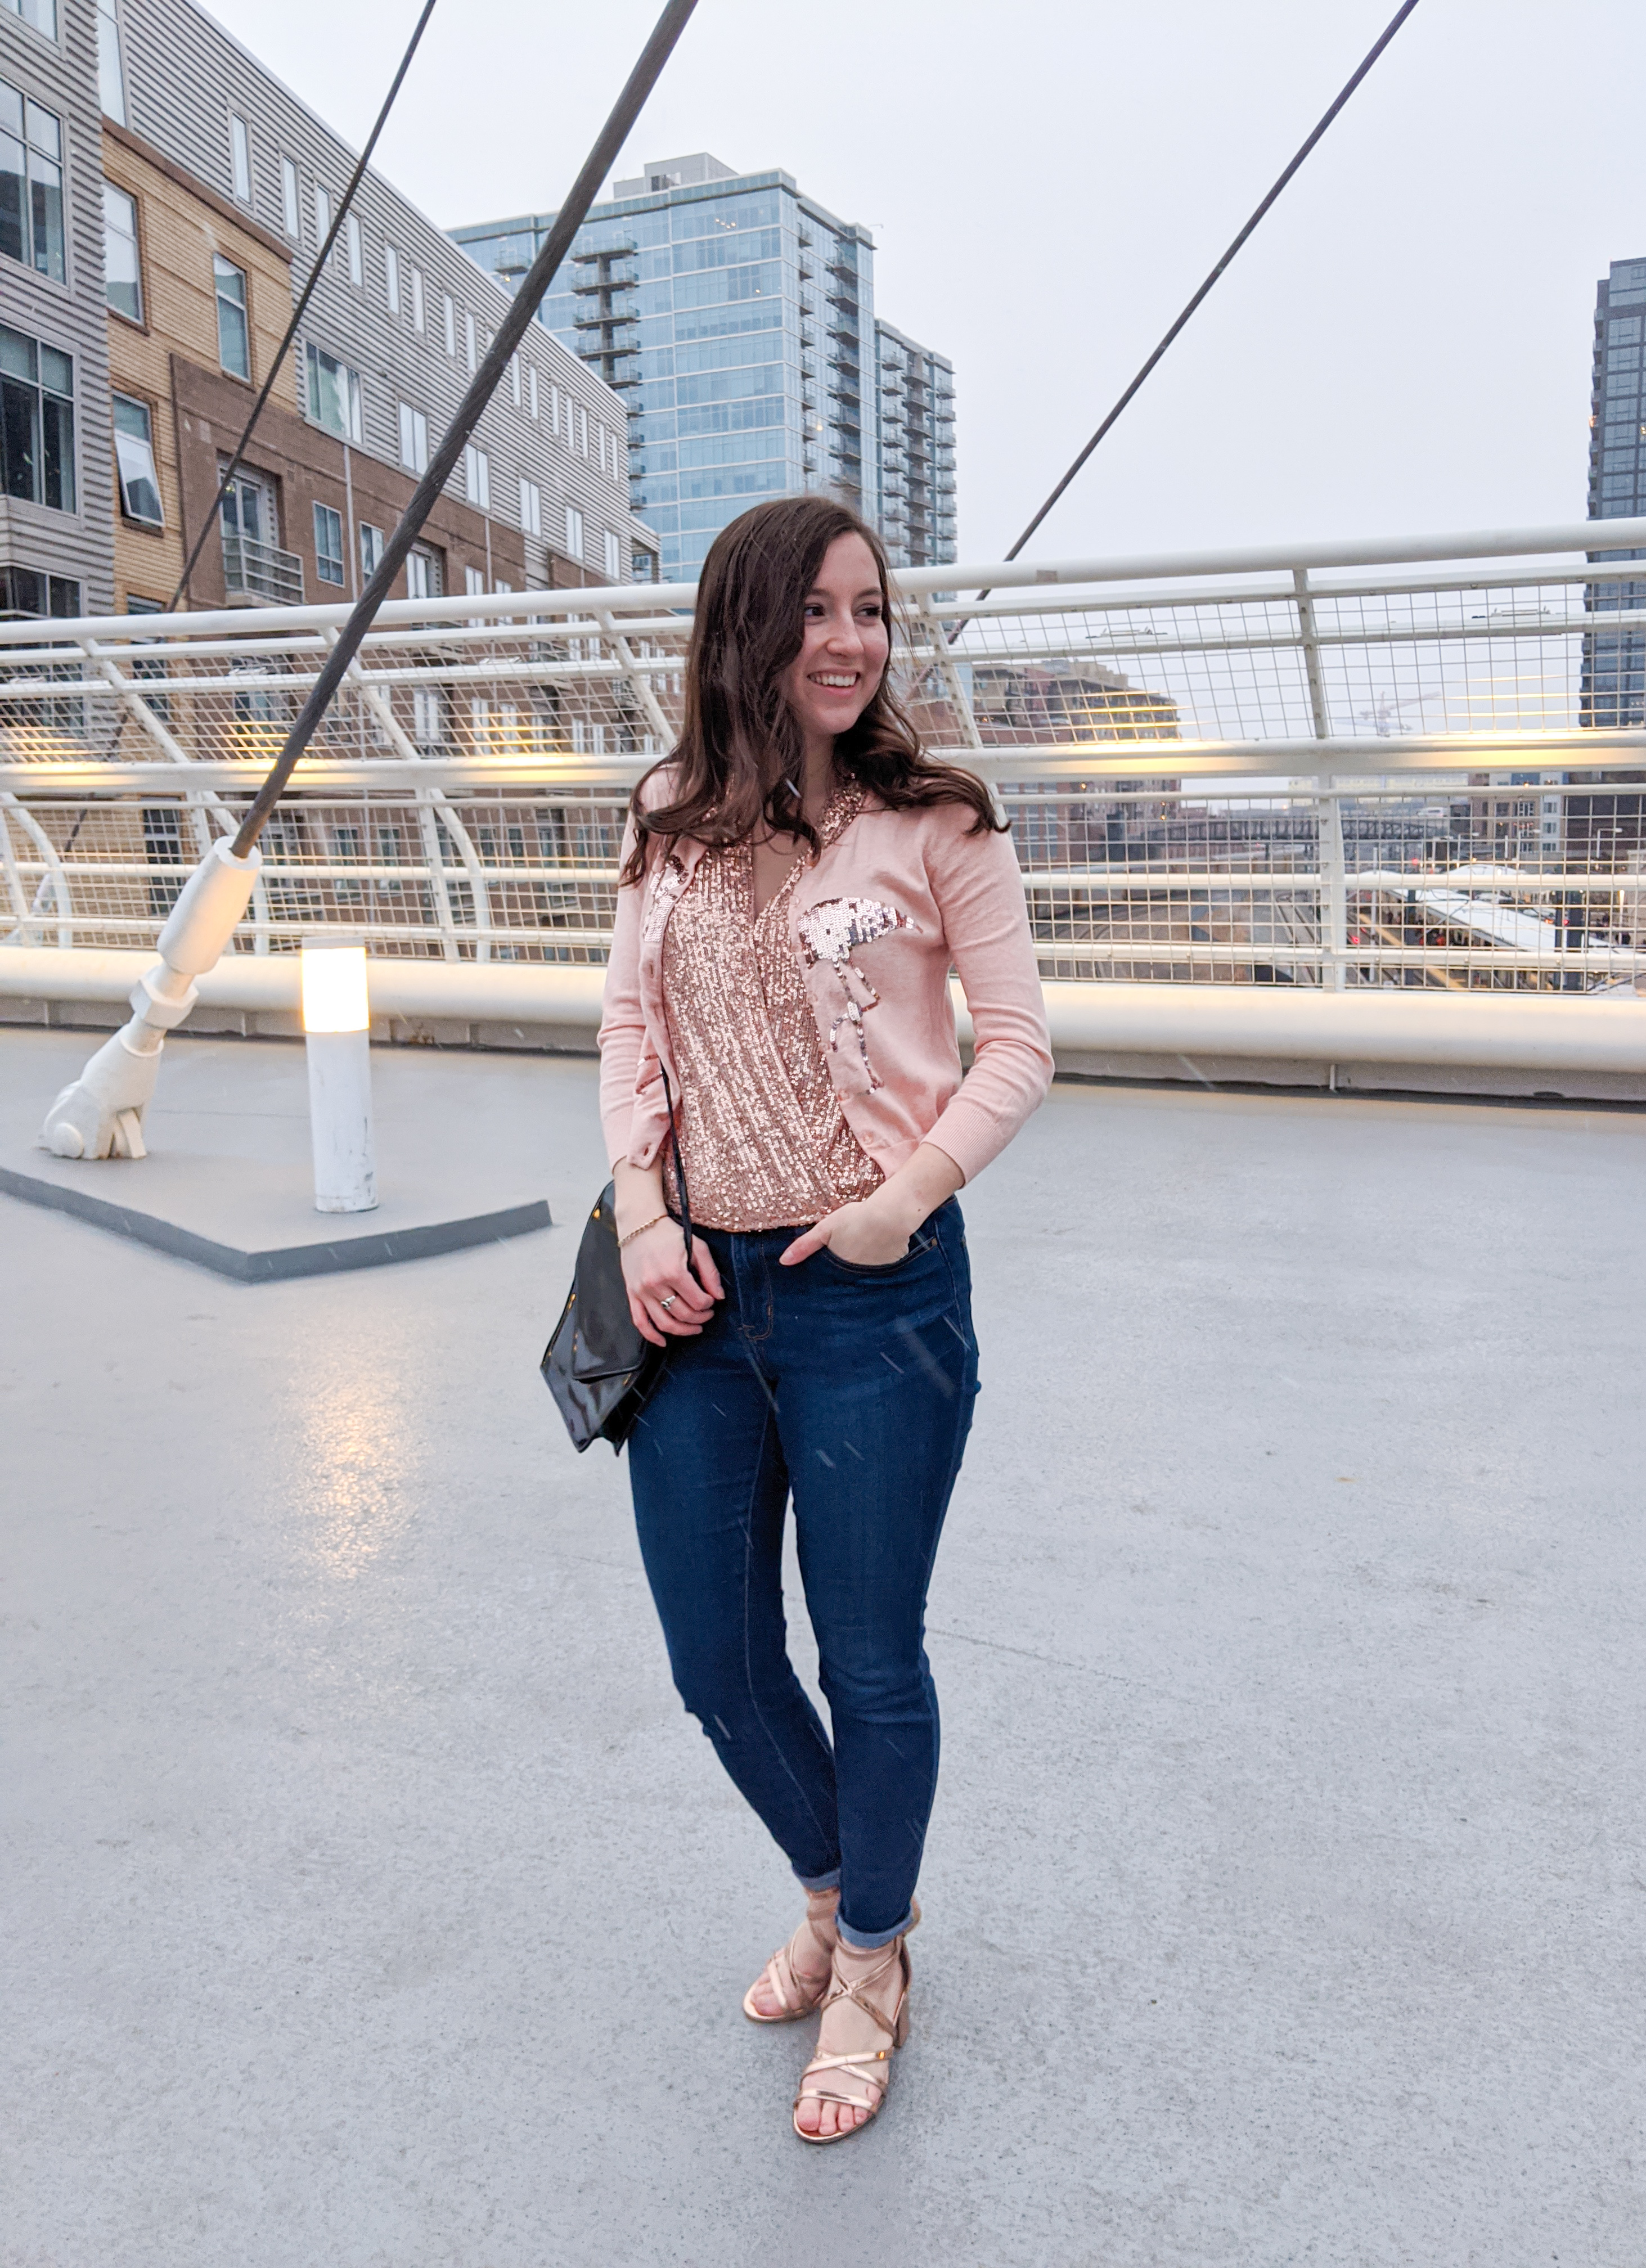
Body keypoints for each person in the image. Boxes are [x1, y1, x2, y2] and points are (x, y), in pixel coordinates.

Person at [597, 494, 1051, 2142]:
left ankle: (869, 1959)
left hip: (877, 1297)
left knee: (868, 1657)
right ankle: (831, 1888)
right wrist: (646, 1211)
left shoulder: (938, 824)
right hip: (693, 1294)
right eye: (820, 611)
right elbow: (629, 1029)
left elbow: (1017, 1046)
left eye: (872, 610)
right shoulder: (665, 815)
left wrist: (898, 1199)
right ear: (747, 628)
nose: (853, 640)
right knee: (716, 1656)